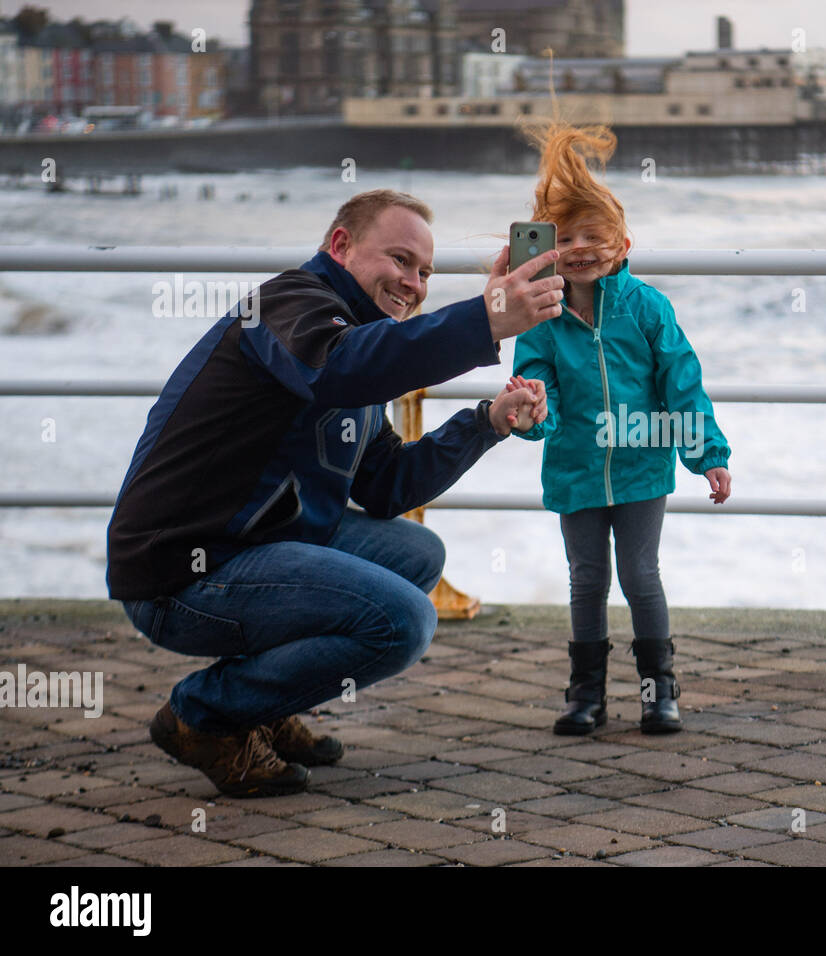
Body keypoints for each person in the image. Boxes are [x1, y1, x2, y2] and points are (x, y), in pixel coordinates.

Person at [106, 189, 561, 797]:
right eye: (400, 260)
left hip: (254, 544)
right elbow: (345, 366)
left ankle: (260, 708)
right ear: (340, 245)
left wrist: (487, 422)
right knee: (404, 620)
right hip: (182, 572)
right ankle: (206, 715)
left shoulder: (357, 335)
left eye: (425, 272)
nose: (414, 284)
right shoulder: (290, 304)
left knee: (418, 555)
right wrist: (485, 319)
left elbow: (385, 486)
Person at [510, 121, 732, 736]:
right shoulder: (542, 315)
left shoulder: (647, 308)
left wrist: (706, 453)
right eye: (566, 237)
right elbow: (537, 390)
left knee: (640, 576)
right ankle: (585, 696)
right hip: (576, 467)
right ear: (547, 247)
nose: (580, 247)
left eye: (594, 236)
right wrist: (532, 411)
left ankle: (658, 690)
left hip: (641, 467)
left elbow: (681, 384)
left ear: (623, 244)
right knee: (586, 581)